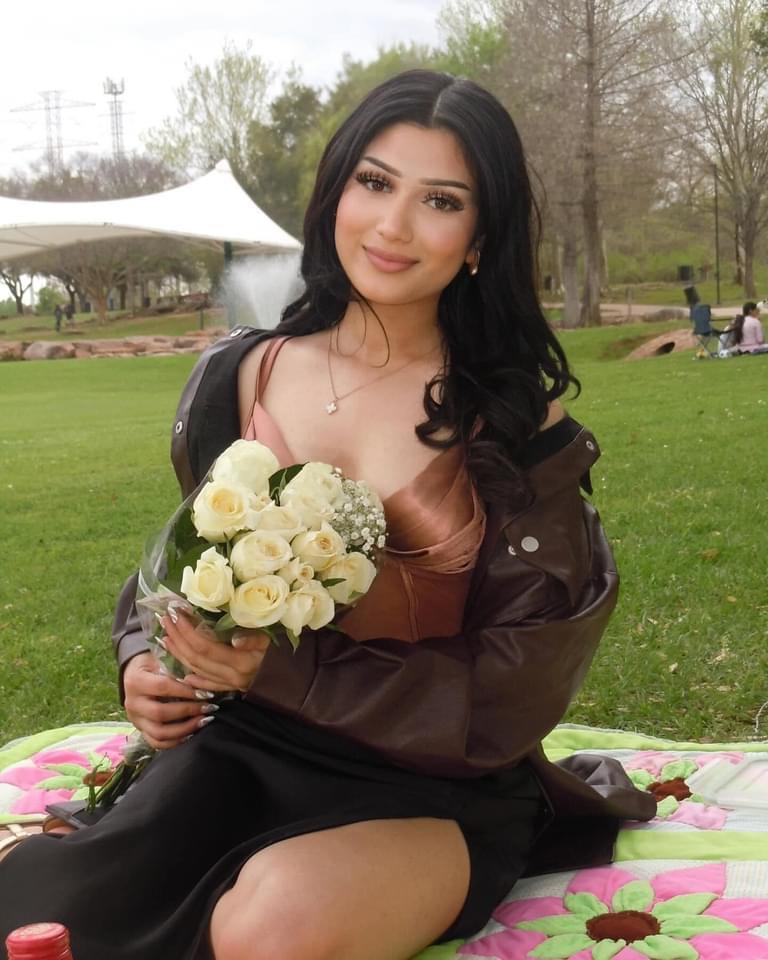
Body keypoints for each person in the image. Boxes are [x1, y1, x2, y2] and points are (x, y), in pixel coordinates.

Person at [0, 70, 655, 960]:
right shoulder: (242, 374)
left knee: (273, 931)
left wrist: (284, 672)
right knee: (38, 915)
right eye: (374, 182)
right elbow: (184, 566)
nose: (392, 226)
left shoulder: (514, 427)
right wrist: (145, 660)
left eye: (440, 200)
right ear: (335, 190)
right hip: (236, 754)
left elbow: (514, 694)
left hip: (432, 785)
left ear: (479, 239)